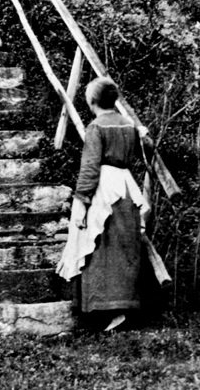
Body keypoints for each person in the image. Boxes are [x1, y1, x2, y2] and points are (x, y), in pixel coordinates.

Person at [56, 77, 151, 331]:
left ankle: (105, 310)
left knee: (100, 244)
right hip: (126, 188)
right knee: (123, 246)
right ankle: (122, 307)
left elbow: (90, 167)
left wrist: (81, 201)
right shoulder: (129, 125)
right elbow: (146, 150)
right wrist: (143, 136)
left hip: (104, 188)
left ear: (91, 101)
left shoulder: (96, 127)